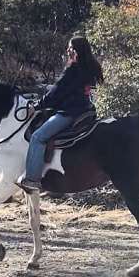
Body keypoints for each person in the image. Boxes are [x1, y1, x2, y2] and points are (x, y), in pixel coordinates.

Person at [19, 35, 104, 193]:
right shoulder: (91, 67)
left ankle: (32, 179)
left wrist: (37, 106)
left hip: (70, 112)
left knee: (38, 137)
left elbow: (56, 93)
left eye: (70, 48)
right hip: (85, 110)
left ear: (76, 51)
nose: (67, 50)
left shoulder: (73, 69)